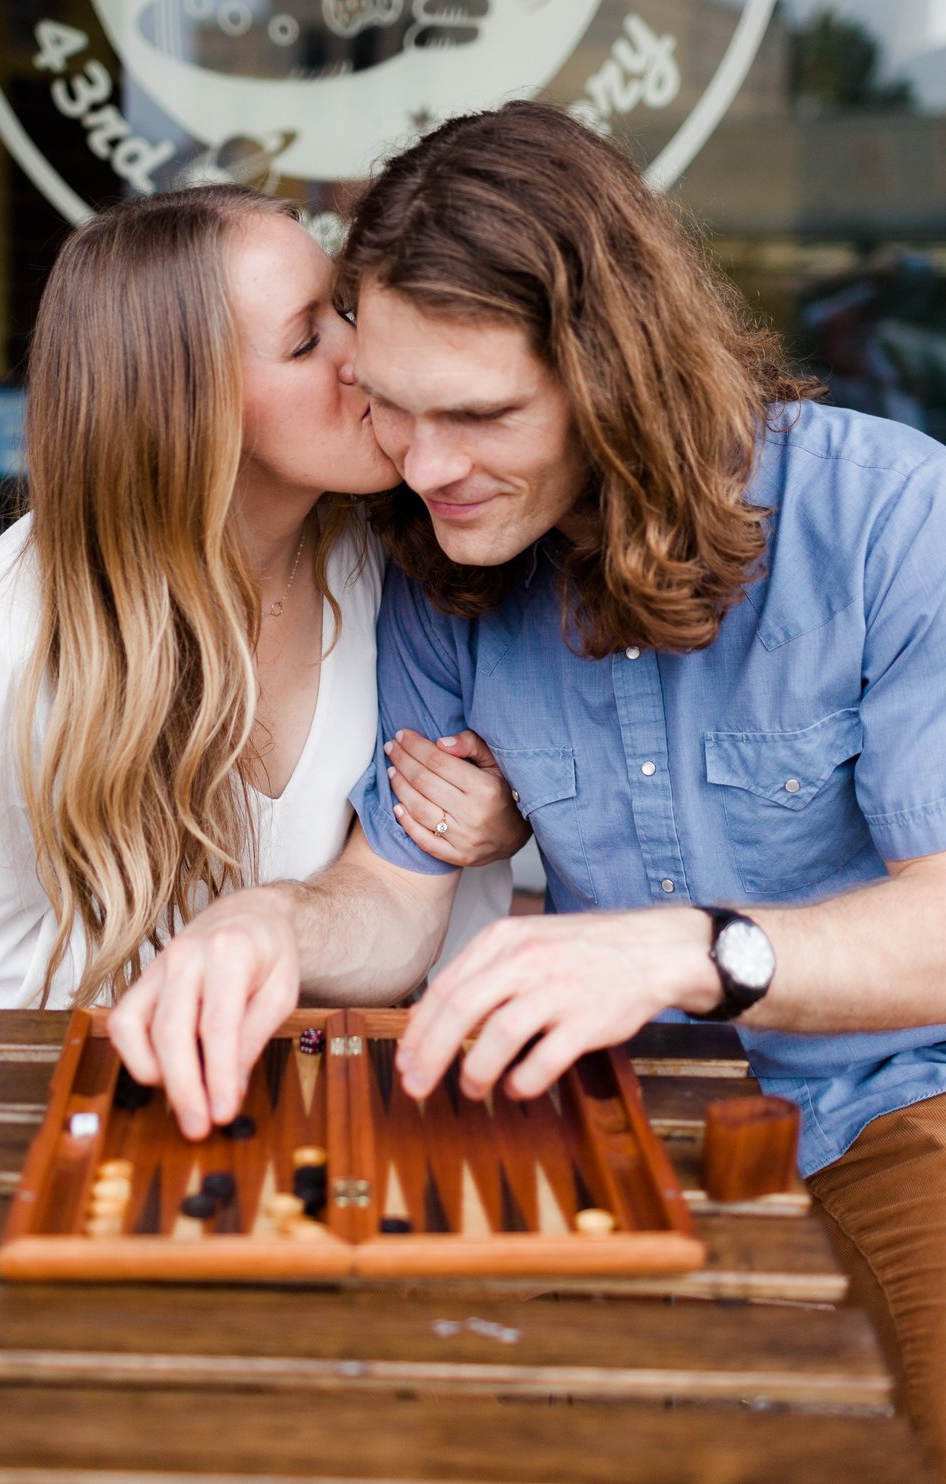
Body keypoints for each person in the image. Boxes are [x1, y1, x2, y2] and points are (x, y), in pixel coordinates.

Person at [109, 106, 946, 1468]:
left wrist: (691, 951)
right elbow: (389, 891)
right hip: (602, 1132)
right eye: (390, 405)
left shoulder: (891, 516)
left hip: (899, 1109)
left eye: (482, 414)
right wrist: (267, 923)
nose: (422, 466)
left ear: (617, 371)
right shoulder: (448, 555)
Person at [0, 183, 527, 1014]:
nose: (365, 357)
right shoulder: (9, 629)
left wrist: (508, 812)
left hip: (399, 1088)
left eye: (346, 309)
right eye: (304, 343)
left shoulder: (412, 546)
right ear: (186, 412)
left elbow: (429, 892)